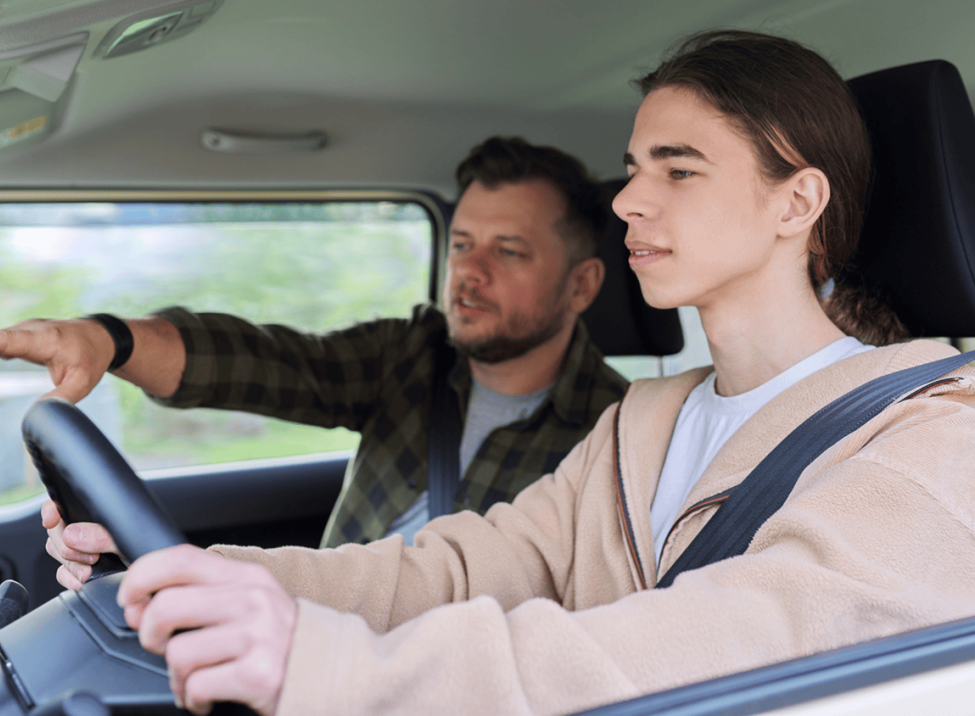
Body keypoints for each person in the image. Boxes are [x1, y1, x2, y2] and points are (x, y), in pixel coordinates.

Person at [45, 29, 975, 716]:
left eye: (678, 170)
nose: (627, 199)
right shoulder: (642, 422)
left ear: (796, 202)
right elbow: (457, 573)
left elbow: (723, 644)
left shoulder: (933, 437)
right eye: (632, 168)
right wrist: (197, 575)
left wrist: (330, 666)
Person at [0, 135, 630, 551]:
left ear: (581, 285)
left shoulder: (622, 433)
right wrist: (109, 339)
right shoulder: (412, 355)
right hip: (311, 647)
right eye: (462, 244)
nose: (470, 271)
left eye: (509, 251)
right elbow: (265, 362)